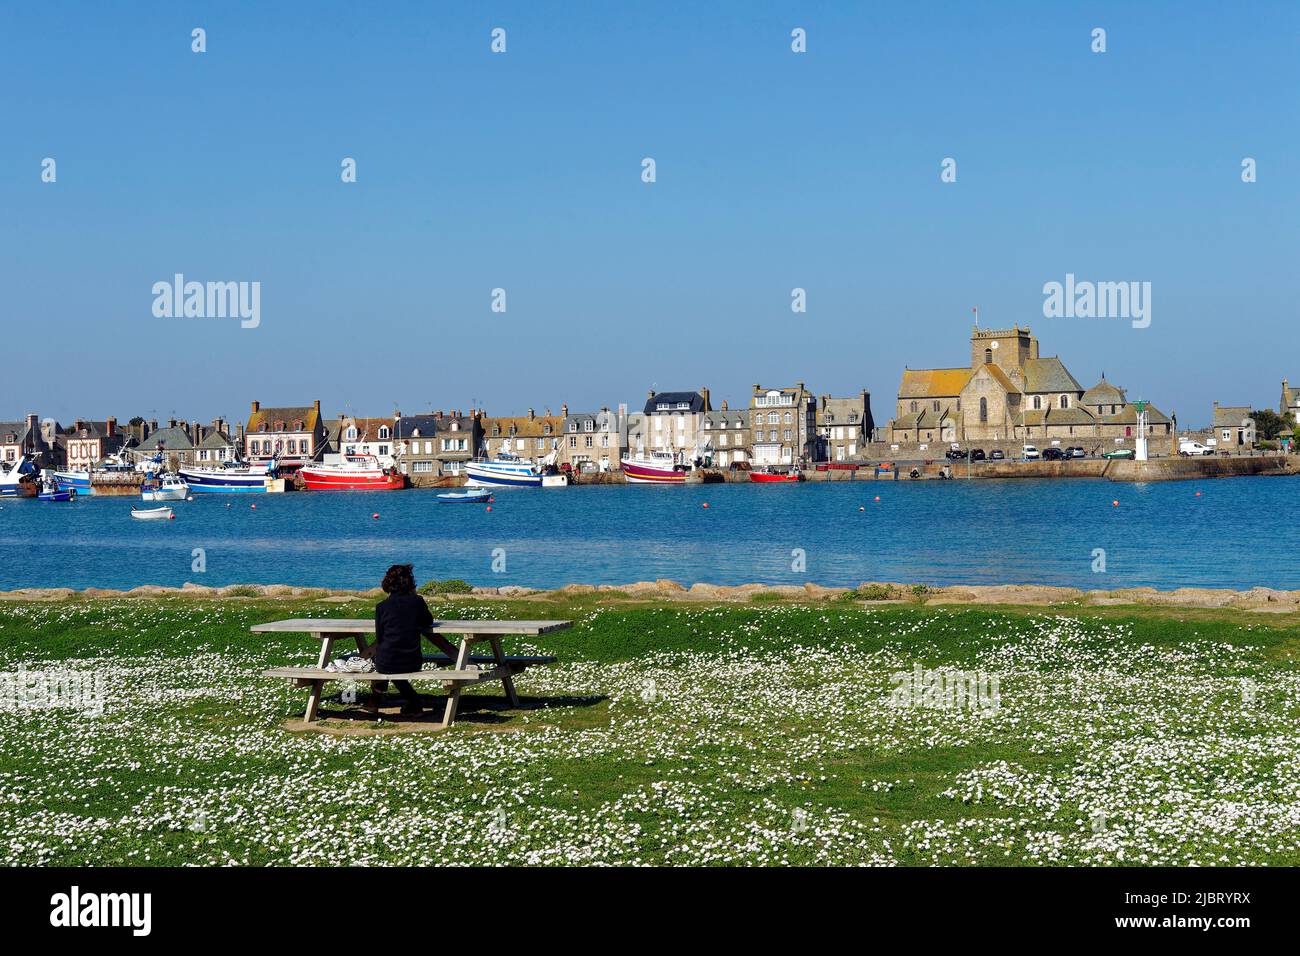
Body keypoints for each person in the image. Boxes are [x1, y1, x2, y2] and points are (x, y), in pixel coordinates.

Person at [365, 564, 433, 716]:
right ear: (410, 583)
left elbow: (380, 637)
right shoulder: (417, 602)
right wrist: (414, 595)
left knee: (385, 661)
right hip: (412, 660)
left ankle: (375, 700)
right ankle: (414, 703)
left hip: (387, 661)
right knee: (393, 666)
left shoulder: (381, 607)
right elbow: (427, 621)